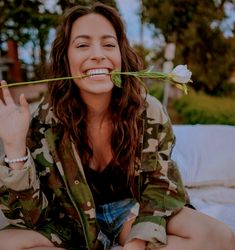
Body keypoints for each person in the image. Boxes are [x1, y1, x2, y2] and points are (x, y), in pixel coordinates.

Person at [0, 3, 234, 250]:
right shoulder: (44, 121)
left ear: (121, 54)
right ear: (65, 59)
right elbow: (30, 217)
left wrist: (136, 242)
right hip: (70, 221)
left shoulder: (148, 111)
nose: (98, 54)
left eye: (109, 44)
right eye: (82, 45)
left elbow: (160, 186)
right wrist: (15, 146)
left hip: (132, 211)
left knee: (220, 237)